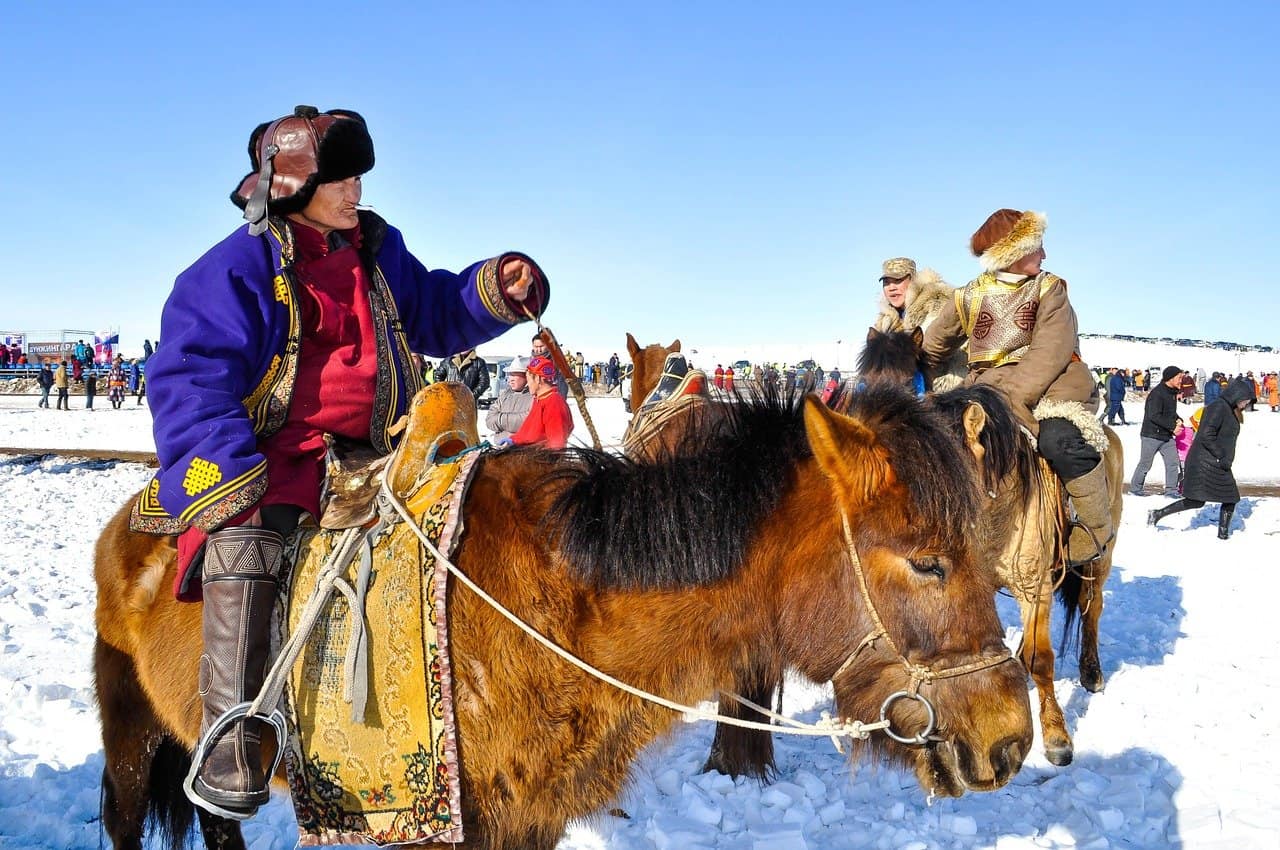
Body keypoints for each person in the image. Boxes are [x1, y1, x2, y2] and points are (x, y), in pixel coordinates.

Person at [136, 105, 548, 818]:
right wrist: (228, 472)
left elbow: (435, 308)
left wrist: (494, 286)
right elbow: (188, 378)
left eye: (359, 175)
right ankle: (232, 737)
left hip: (385, 450)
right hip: (279, 456)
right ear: (292, 183)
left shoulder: (376, 250)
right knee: (247, 539)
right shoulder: (231, 269)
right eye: (340, 178)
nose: (356, 189)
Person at [922, 209, 1112, 563]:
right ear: (1011, 253)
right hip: (985, 390)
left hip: (1052, 389)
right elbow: (933, 346)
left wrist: (1004, 400)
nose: (1044, 255)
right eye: (1037, 247)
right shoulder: (968, 296)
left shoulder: (1049, 289)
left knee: (1061, 440)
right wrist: (907, 370)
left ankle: (1095, 525)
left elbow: (1050, 352)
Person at [1148, 379, 1256, 539]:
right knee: (1227, 497)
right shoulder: (1218, 407)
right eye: (1245, 400)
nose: (1246, 404)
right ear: (1236, 396)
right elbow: (1207, 434)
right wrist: (1220, 455)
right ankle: (1223, 535)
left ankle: (1157, 514)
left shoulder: (1228, 409)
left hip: (1215, 463)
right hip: (1206, 462)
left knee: (1202, 500)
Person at [872, 257, 966, 390]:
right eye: (886, 283)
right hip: (903, 389)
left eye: (898, 281)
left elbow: (937, 347)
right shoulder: (884, 321)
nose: (891, 288)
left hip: (944, 386)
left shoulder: (936, 303)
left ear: (912, 281)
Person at [1130, 366, 1184, 496]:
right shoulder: (1157, 394)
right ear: (1170, 378)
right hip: (1151, 436)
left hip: (1166, 436)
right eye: (1179, 378)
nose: (1181, 381)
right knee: (1145, 465)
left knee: (1172, 463)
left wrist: (1178, 419)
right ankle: (1135, 490)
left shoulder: (1171, 392)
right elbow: (1154, 415)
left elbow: (1169, 412)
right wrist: (1172, 426)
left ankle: (1171, 491)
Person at [506, 355, 573, 449]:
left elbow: (557, 445)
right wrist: (514, 439)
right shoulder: (539, 399)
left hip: (541, 460)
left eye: (528, 379)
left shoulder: (554, 403)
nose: (528, 384)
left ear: (537, 379)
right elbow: (529, 430)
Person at [485, 356, 533, 442]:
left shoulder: (534, 396)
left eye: (514, 375)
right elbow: (489, 420)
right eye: (510, 375)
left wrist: (499, 419)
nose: (510, 379)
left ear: (527, 375)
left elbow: (527, 421)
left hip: (522, 449)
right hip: (499, 448)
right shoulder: (505, 394)